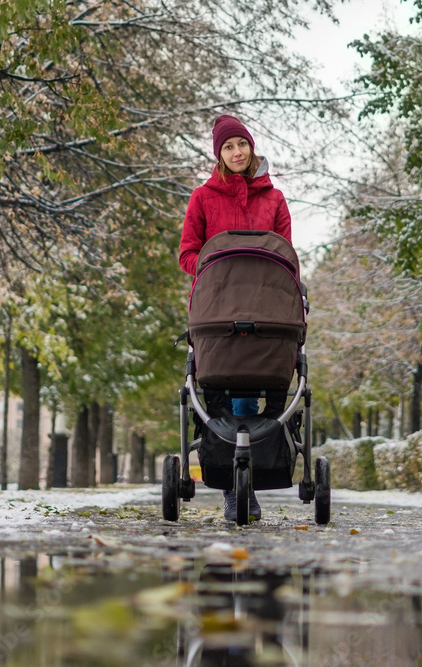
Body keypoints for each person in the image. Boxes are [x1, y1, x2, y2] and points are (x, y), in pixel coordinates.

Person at [180, 114, 293, 521]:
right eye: (228, 147)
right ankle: (232, 487)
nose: (237, 152)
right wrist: (214, 268)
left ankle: (249, 482)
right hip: (217, 307)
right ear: (219, 155)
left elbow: (285, 258)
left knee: (250, 390)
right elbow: (187, 252)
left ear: (251, 146)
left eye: (241, 144)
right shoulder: (203, 198)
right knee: (220, 391)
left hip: (264, 310)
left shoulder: (274, 199)